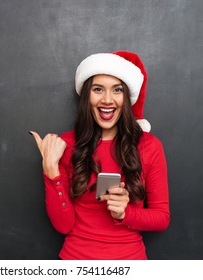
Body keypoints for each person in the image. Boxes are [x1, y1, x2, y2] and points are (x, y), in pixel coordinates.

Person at [30, 51, 170, 260]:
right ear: (87, 96)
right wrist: (50, 170)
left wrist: (125, 213)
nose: (107, 99)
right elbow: (63, 225)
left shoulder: (149, 146)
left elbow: (161, 218)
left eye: (117, 90)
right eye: (98, 89)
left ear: (127, 97)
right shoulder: (65, 145)